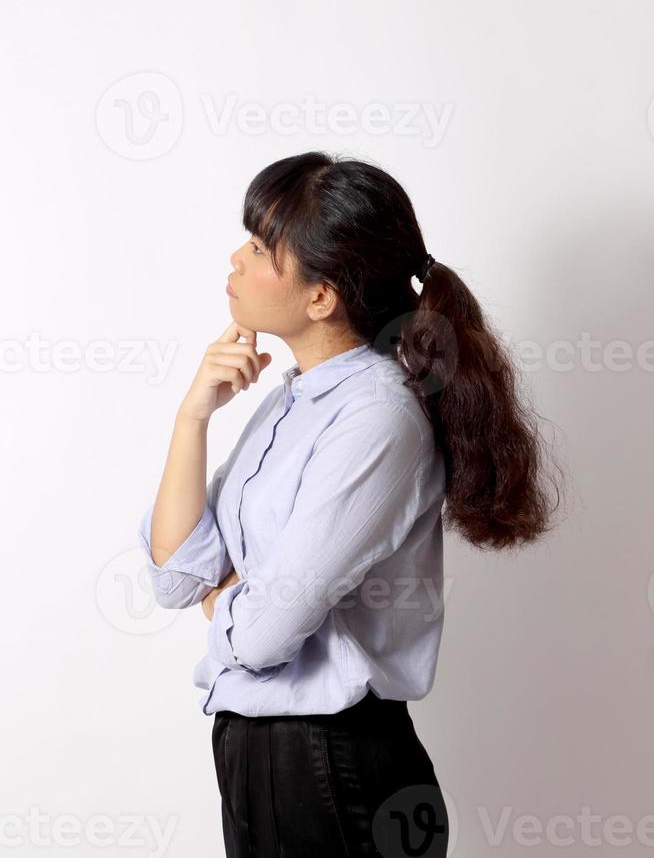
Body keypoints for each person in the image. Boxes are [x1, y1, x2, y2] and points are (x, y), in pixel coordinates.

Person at [137, 151, 563, 857]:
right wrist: (193, 418)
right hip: (268, 758)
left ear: (321, 296)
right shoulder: (292, 400)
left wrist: (230, 599)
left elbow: (266, 634)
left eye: (261, 248)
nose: (236, 259)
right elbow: (176, 576)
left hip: (332, 766)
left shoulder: (375, 416)